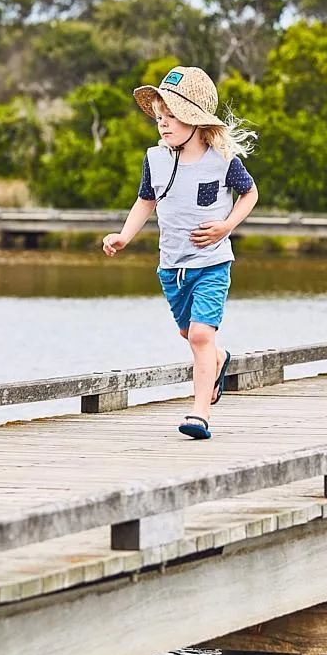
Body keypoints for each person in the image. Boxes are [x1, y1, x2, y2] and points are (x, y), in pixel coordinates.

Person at [102, 65, 259, 440]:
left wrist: (226, 226)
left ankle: (199, 413)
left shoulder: (222, 159)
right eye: (160, 116)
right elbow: (146, 201)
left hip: (212, 263)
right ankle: (218, 359)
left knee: (201, 336)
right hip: (172, 266)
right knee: (189, 332)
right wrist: (124, 236)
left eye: (172, 116)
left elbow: (250, 193)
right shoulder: (154, 159)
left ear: (195, 120)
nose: (163, 123)